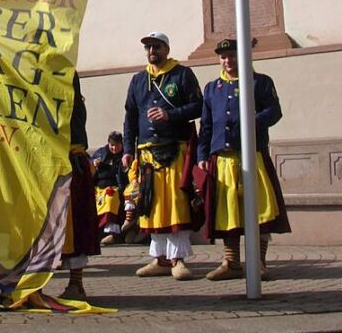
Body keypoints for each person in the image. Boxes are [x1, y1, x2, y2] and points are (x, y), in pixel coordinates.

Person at [196, 38, 290, 280]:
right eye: (224, 56)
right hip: (223, 159)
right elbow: (205, 125)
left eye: (233, 55)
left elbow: (274, 111)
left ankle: (258, 262)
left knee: (258, 209)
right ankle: (231, 262)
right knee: (227, 212)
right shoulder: (211, 88)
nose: (228, 61)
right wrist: (202, 154)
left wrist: (252, 120)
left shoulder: (259, 82)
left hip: (252, 157)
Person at [122, 32, 202, 280]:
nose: (151, 51)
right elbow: (130, 117)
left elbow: (198, 106)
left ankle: (178, 259)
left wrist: (171, 114)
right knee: (151, 205)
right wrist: (127, 149)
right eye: (147, 47)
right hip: (147, 153)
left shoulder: (182, 74)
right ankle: (160, 259)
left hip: (174, 148)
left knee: (176, 204)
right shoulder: (138, 80)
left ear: (166, 48)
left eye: (156, 46)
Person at [55, 72, 101, 302]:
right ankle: (36, 285)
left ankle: (76, 284)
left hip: (70, 161)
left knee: (76, 226)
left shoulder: (69, 91)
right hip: (46, 163)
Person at [91, 131, 128, 246]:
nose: (114, 148)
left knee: (110, 198)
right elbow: (90, 167)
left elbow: (124, 175)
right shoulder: (100, 153)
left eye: (117, 145)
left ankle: (110, 233)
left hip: (115, 187)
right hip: (98, 187)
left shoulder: (125, 156)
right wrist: (94, 165)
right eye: (112, 145)